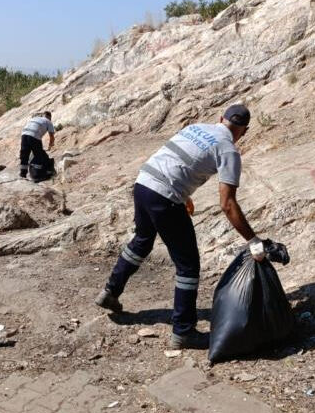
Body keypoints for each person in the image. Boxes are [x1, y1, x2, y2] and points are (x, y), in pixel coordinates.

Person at [94, 104, 290, 349]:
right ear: (244, 131)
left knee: (142, 240)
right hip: (165, 196)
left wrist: (184, 194)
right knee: (188, 265)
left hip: (143, 183)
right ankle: (183, 331)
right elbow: (227, 204)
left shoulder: (195, 128)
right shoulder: (228, 150)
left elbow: (178, 159)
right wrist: (253, 241)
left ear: (221, 118)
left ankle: (110, 292)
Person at [19, 111, 55, 178]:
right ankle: (37, 175)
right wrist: (50, 145)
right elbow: (51, 136)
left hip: (24, 134)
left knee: (24, 154)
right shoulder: (48, 121)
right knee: (38, 155)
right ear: (49, 117)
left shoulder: (35, 118)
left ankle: (22, 174)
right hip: (34, 136)